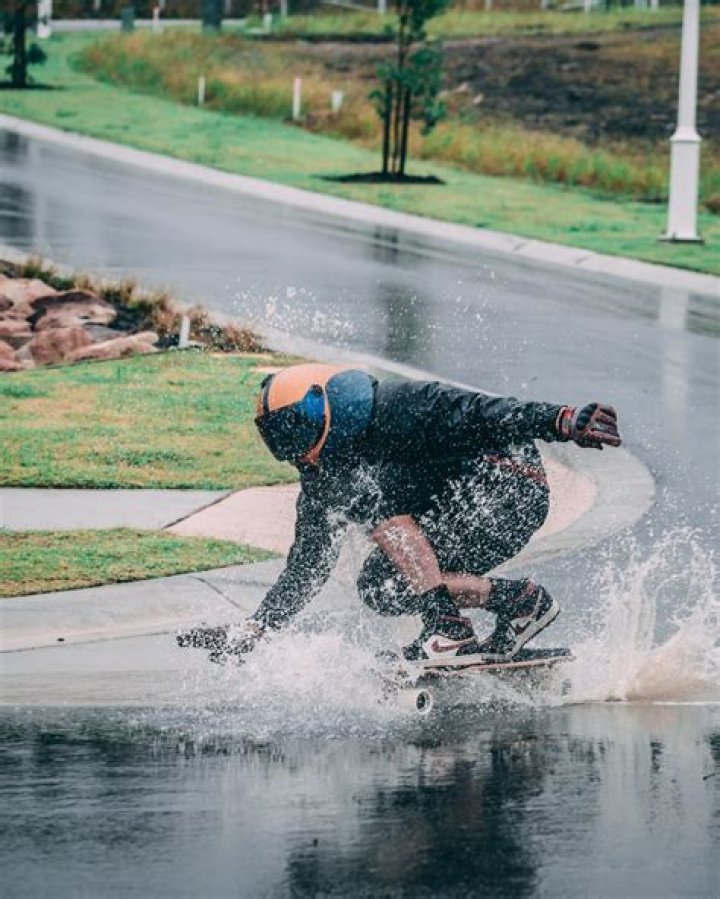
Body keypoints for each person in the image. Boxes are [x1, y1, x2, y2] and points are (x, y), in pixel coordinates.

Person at [218, 364, 620, 664]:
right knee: (381, 587)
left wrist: (561, 420)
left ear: (321, 405)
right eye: (278, 438)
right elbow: (308, 565)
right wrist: (258, 627)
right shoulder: (324, 474)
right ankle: (520, 602)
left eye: (296, 429)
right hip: (456, 509)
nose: (296, 448)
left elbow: (484, 410)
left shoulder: (400, 405)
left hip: (509, 489)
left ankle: (448, 628)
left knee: (373, 496)